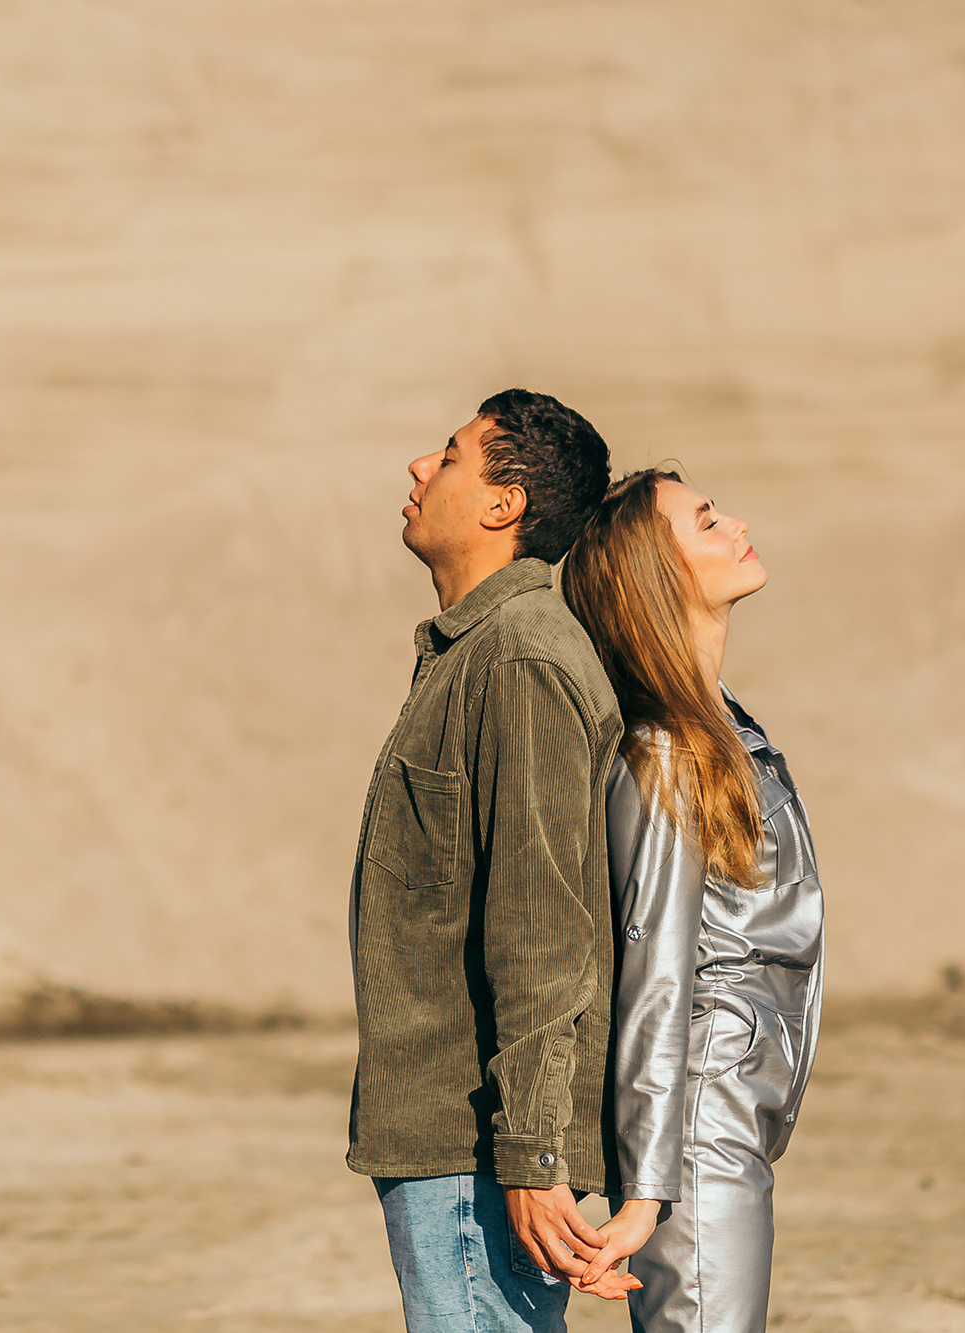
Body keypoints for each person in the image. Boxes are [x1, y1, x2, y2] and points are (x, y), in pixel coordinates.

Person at [348, 390, 669, 1333]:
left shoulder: (521, 657)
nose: (420, 467)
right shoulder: (477, 650)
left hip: (480, 1149)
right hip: (453, 1137)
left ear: (505, 503)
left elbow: (542, 927)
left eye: (449, 455)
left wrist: (530, 1151)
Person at [558, 468, 825, 1332]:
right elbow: (656, 975)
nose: (736, 522)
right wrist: (648, 1189)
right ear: (658, 577)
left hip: (735, 1113)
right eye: (707, 521)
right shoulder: (666, 751)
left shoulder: (719, 724)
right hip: (698, 1130)